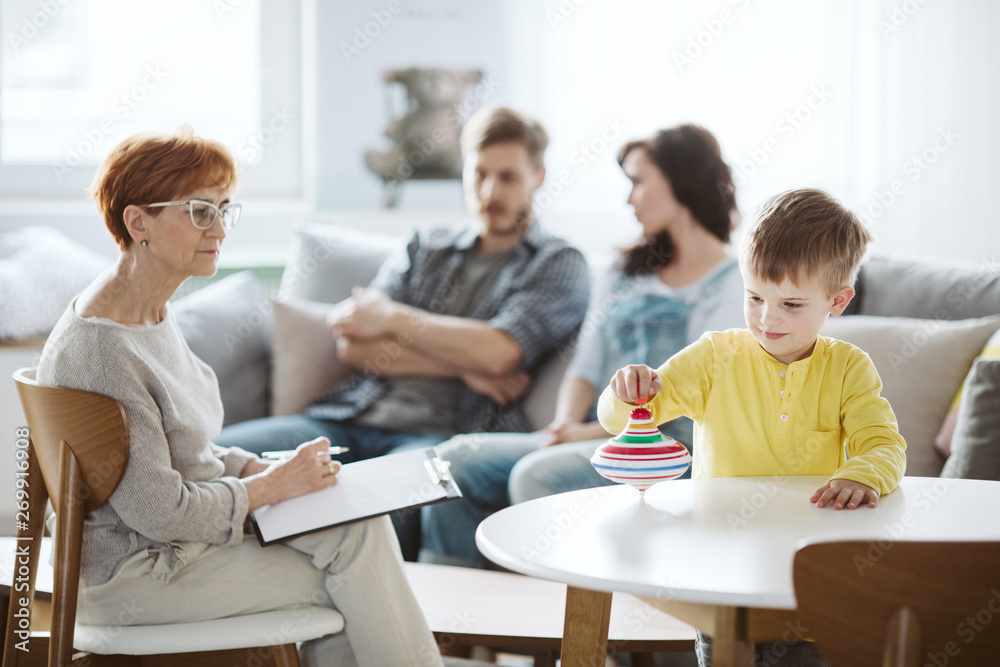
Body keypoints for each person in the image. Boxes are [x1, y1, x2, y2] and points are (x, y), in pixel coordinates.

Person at [36, 128, 451, 666]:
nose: (219, 230)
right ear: (138, 222)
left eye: (223, 210)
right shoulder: (102, 348)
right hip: (134, 576)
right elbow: (162, 511)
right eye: (199, 211)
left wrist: (258, 468)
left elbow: (186, 451)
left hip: (173, 551)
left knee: (358, 523)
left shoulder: (149, 310)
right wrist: (273, 486)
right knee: (357, 575)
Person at [215, 106, 589, 558]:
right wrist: (463, 368)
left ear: (539, 177)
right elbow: (352, 343)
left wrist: (392, 318)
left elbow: (499, 352)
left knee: (381, 506)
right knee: (218, 459)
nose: (490, 191)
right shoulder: (424, 246)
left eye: (508, 177)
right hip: (351, 417)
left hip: (440, 435)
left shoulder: (557, 263)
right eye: (479, 174)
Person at [599, 188, 907, 666]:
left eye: (791, 304)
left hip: (809, 584)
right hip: (724, 576)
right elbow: (625, 419)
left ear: (838, 300)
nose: (767, 318)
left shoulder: (849, 368)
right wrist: (627, 392)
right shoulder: (713, 356)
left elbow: (884, 444)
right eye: (755, 296)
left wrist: (861, 474)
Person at [421, 124, 746, 568]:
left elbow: (690, 406)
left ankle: (570, 633)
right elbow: (587, 362)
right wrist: (563, 425)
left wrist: (581, 434)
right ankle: (455, 625)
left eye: (638, 181)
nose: (629, 199)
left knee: (538, 474)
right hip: (589, 435)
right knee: (452, 460)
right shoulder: (621, 271)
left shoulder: (732, 285)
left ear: (679, 180)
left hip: (667, 450)